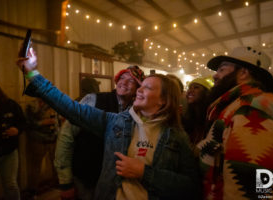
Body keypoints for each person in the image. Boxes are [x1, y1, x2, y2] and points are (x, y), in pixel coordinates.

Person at [17, 48, 201, 200]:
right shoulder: (117, 122)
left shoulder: (176, 137)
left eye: (146, 87)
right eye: (141, 85)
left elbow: (191, 187)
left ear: (163, 100)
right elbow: (69, 107)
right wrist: (32, 73)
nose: (139, 90)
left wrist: (145, 172)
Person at [196, 46, 273, 199]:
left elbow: (252, 191)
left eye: (222, 69)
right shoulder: (240, 105)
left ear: (243, 73)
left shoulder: (254, 111)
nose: (215, 76)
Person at [56, 66, 144, 200]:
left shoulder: (136, 113)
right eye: (122, 78)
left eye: (131, 81)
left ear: (138, 89)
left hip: (115, 183)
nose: (124, 83)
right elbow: (67, 136)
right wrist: (65, 182)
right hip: (86, 179)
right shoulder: (93, 100)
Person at [0, 80, 25, 200]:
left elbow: (23, 122)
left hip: (9, 153)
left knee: (11, 185)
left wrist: (17, 130)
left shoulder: (10, 105)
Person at [25, 98, 62, 196]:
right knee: (35, 166)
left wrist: (58, 132)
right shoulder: (31, 106)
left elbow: (57, 120)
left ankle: (57, 184)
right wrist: (42, 123)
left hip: (53, 139)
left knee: (56, 163)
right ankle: (32, 190)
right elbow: (27, 123)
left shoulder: (54, 102)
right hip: (38, 140)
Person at [182, 77, 213, 151]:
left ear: (206, 93)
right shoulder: (188, 116)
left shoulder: (211, 117)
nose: (190, 91)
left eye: (196, 88)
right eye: (189, 88)